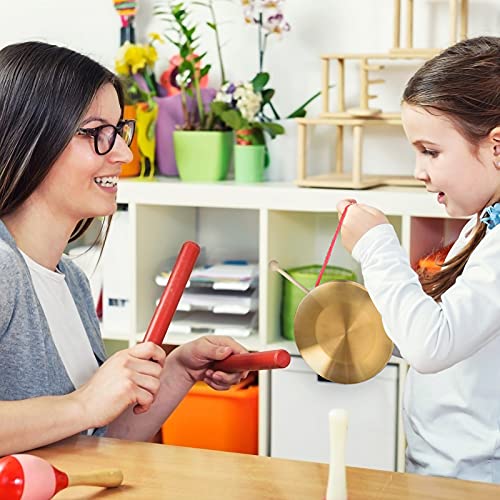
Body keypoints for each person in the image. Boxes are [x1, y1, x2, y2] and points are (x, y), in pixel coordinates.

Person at [0, 41, 249, 456]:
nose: (123, 153)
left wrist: (179, 370)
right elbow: (83, 411)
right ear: (30, 137)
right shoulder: (4, 269)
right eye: (97, 132)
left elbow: (94, 439)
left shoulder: (73, 281)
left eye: (118, 131)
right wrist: (83, 403)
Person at [336, 35, 500, 483]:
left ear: (497, 148)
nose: (418, 171)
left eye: (430, 151)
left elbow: (432, 346)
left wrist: (375, 246)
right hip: (447, 468)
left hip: (474, 478)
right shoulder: (486, 221)